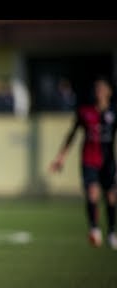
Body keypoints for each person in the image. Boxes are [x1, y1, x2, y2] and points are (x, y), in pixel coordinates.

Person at [49, 76, 117, 250]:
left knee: (111, 197)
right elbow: (71, 134)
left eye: (102, 89)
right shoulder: (85, 112)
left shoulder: (113, 112)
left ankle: (111, 232)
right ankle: (94, 229)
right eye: (96, 89)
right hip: (89, 159)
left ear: (109, 92)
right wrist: (60, 157)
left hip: (108, 161)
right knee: (92, 193)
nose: (99, 92)